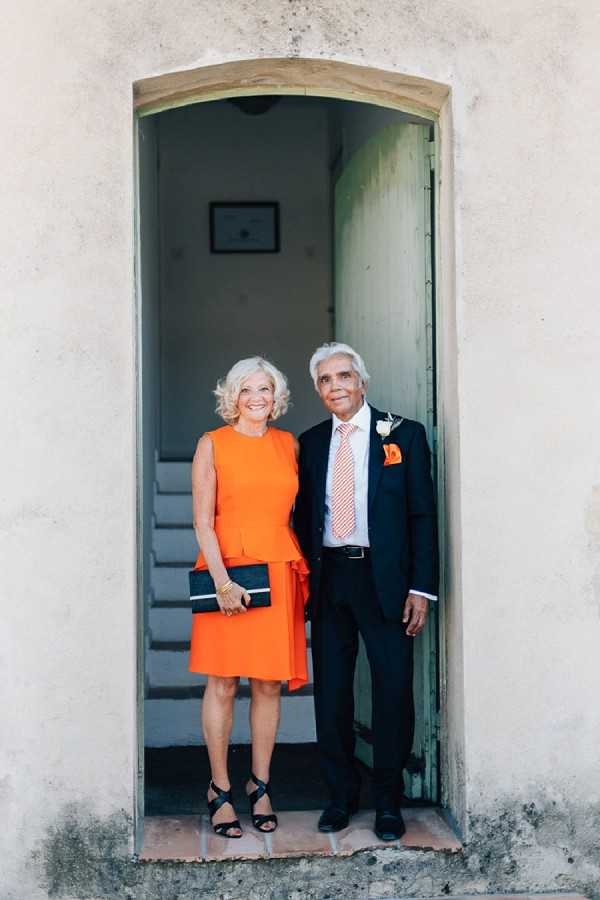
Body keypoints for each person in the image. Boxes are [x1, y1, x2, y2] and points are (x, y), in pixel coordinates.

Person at [294, 342, 438, 842]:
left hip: (387, 582)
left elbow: (422, 515)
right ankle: (339, 796)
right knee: (331, 693)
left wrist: (421, 587)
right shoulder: (309, 444)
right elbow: (302, 517)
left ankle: (388, 801)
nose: (336, 387)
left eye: (344, 377)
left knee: (392, 691)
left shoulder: (405, 435)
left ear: (363, 383)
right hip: (331, 578)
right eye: (326, 380)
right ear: (318, 390)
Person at [189, 357, 309, 839]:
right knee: (222, 682)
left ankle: (260, 785)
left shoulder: (289, 444)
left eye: (265, 388)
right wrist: (222, 582)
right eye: (246, 390)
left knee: (267, 684)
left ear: (276, 395)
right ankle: (219, 789)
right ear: (231, 396)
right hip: (228, 572)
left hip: (277, 566)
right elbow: (203, 520)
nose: (256, 397)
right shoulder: (211, 443)